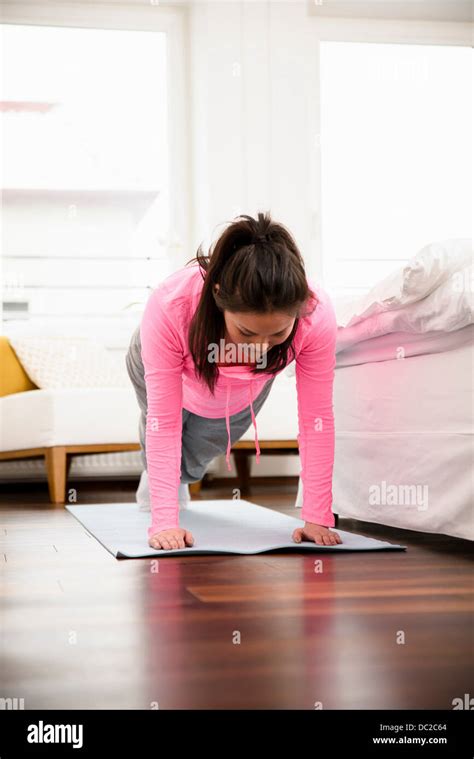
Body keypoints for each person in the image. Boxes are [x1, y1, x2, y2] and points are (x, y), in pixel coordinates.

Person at [125, 211, 342, 550]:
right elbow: (164, 424)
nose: (259, 346)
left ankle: (176, 477)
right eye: (247, 331)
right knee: (167, 425)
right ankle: (158, 482)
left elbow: (316, 421)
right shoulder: (171, 306)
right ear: (217, 296)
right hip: (161, 358)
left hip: (240, 385)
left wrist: (318, 517)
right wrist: (165, 523)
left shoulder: (316, 315)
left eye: (277, 333)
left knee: (195, 455)